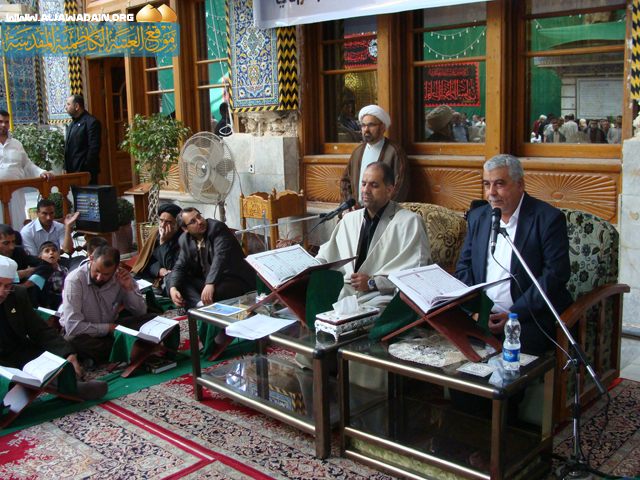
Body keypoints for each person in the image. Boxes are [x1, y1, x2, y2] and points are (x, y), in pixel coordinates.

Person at [455, 154, 573, 355]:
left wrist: (514, 314)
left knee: (514, 359)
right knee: (451, 348)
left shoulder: (548, 219)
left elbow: (555, 276)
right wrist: (476, 312)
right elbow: (464, 268)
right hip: (483, 315)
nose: (491, 193)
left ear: (520, 185)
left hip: (529, 317)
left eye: (499, 184)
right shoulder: (478, 217)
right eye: (487, 184)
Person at [319, 162, 431, 307]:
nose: (366, 190)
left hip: (382, 296)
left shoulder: (410, 222)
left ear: (389, 190)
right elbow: (326, 255)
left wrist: (373, 283)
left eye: (374, 185)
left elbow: (416, 275)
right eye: (363, 184)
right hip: (347, 293)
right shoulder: (349, 219)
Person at [0, 256, 107, 400]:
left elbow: (39, 329)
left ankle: (74, 387)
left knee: (50, 365)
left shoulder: (17, 294)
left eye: (7, 286)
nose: (2, 292)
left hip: (17, 352)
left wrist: (67, 353)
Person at [60, 245, 154, 365]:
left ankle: (122, 350)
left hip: (112, 329)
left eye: (106, 274)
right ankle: (129, 349)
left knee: (152, 320)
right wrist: (108, 328)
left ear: (116, 268)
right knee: (71, 340)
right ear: (91, 259)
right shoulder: (74, 280)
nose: (99, 277)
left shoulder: (120, 276)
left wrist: (128, 288)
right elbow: (73, 327)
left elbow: (141, 312)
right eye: (96, 271)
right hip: (86, 333)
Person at [167, 208, 256, 311]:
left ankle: (201, 305)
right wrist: (173, 288)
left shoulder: (217, 228)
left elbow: (220, 258)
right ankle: (201, 305)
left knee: (214, 292)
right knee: (172, 280)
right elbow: (180, 266)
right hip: (208, 280)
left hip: (233, 279)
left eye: (199, 216)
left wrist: (210, 283)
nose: (199, 222)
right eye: (193, 221)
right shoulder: (185, 240)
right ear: (185, 229)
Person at [340, 105, 410, 208]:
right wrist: (348, 205)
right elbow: (346, 181)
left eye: (371, 125)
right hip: (357, 211)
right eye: (363, 125)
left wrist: (382, 211)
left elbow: (400, 187)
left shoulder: (394, 152)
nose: (366, 129)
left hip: (382, 213)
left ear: (382, 127)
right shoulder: (357, 152)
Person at [0, 110, 55, 230]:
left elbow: (27, 165)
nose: (3, 125)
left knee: (17, 225)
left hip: (15, 193)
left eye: (6, 122)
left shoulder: (16, 144)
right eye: (0, 121)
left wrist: (41, 172)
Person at [131, 203, 183, 294]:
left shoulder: (183, 239)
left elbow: (172, 266)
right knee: (132, 277)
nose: (162, 225)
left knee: (170, 281)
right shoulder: (155, 234)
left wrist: (163, 243)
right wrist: (158, 270)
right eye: (161, 220)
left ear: (177, 225)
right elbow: (147, 261)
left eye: (168, 222)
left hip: (170, 277)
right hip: (155, 274)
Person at [63, 95, 102, 185]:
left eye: (68, 104)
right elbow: (68, 147)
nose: (66, 107)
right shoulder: (72, 124)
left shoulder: (91, 122)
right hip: (72, 172)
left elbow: (94, 148)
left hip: (85, 173)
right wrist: (65, 166)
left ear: (76, 106)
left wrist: (85, 166)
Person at [21, 241, 67, 310]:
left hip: (58, 301)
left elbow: (65, 291)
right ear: (40, 258)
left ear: (58, 256)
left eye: (54, 250)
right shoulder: (37, 271)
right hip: (41, 302)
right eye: (47, 251)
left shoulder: (63, 271)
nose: (51, 253)